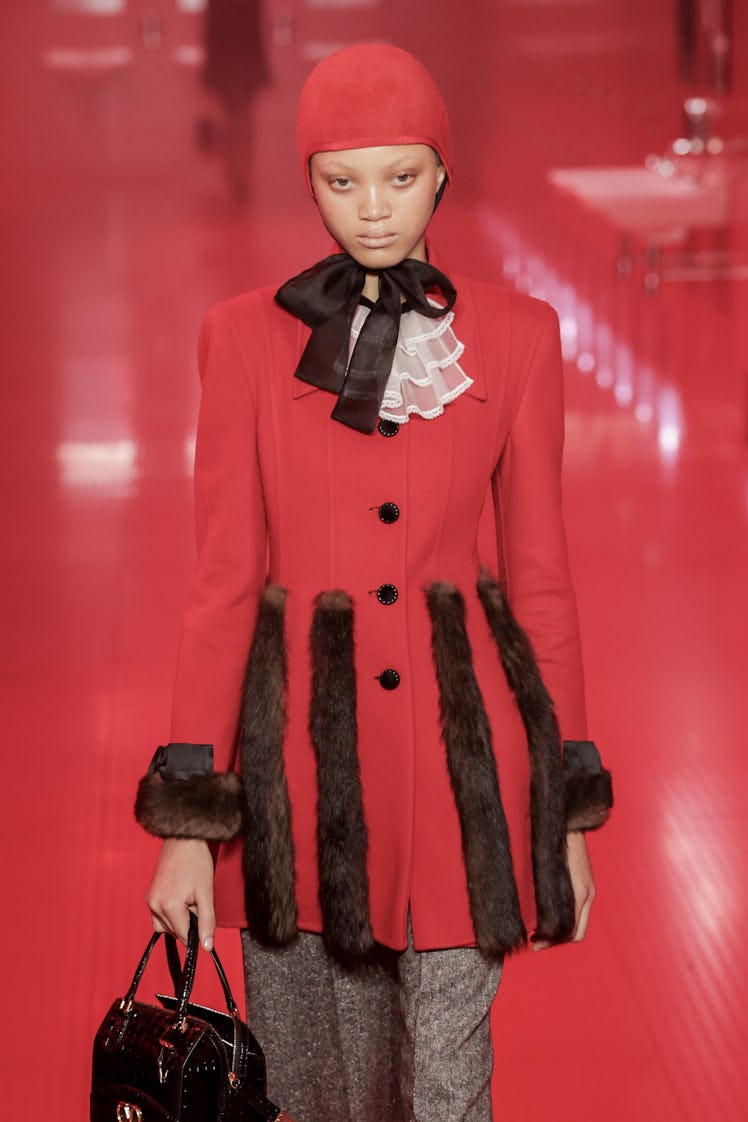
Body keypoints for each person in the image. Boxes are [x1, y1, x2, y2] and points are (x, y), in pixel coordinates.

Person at [136, 43, 613, 1122]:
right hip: (299, 784)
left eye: (401, 176)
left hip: (464, 786)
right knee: (319, 1098)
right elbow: (221, 583)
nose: (373, 210)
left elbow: (541, 585)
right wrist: (187, 826)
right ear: (306, 180)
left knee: (450, 1092)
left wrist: (567, 814)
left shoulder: (523, 338)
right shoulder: (243, 342)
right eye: (340, 180)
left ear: (442, 171)